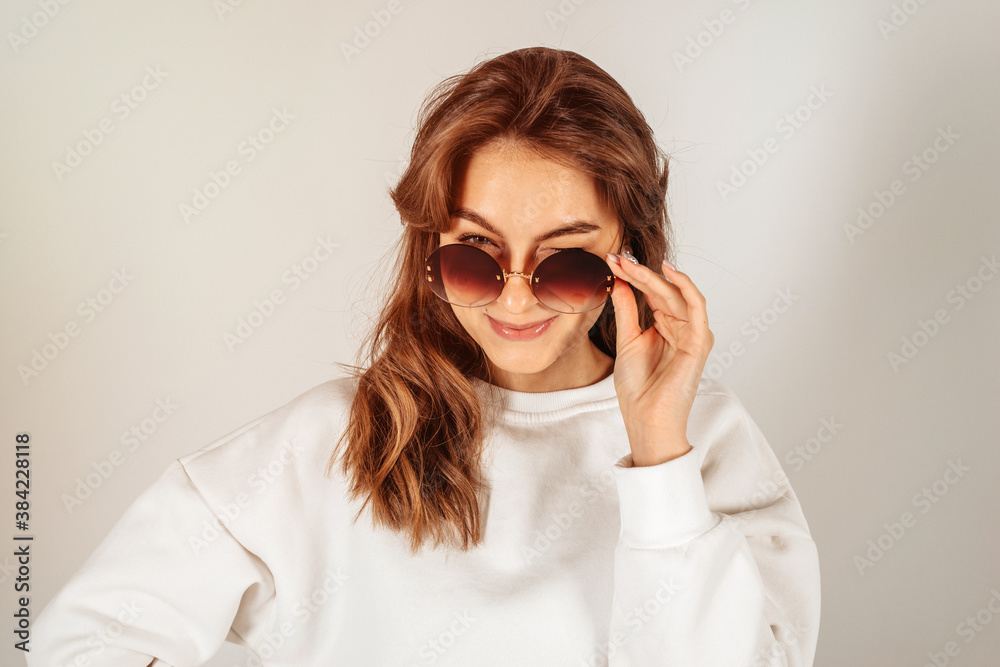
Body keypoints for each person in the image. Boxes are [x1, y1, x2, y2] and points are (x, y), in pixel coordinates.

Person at [29, 46, 821, 666]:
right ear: (429, 251)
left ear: (632, 260)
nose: (514, 302)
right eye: (476, 256)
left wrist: (659, 458)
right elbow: (85, 638)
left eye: (566, 265)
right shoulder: (328, 441)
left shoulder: (704, 444)